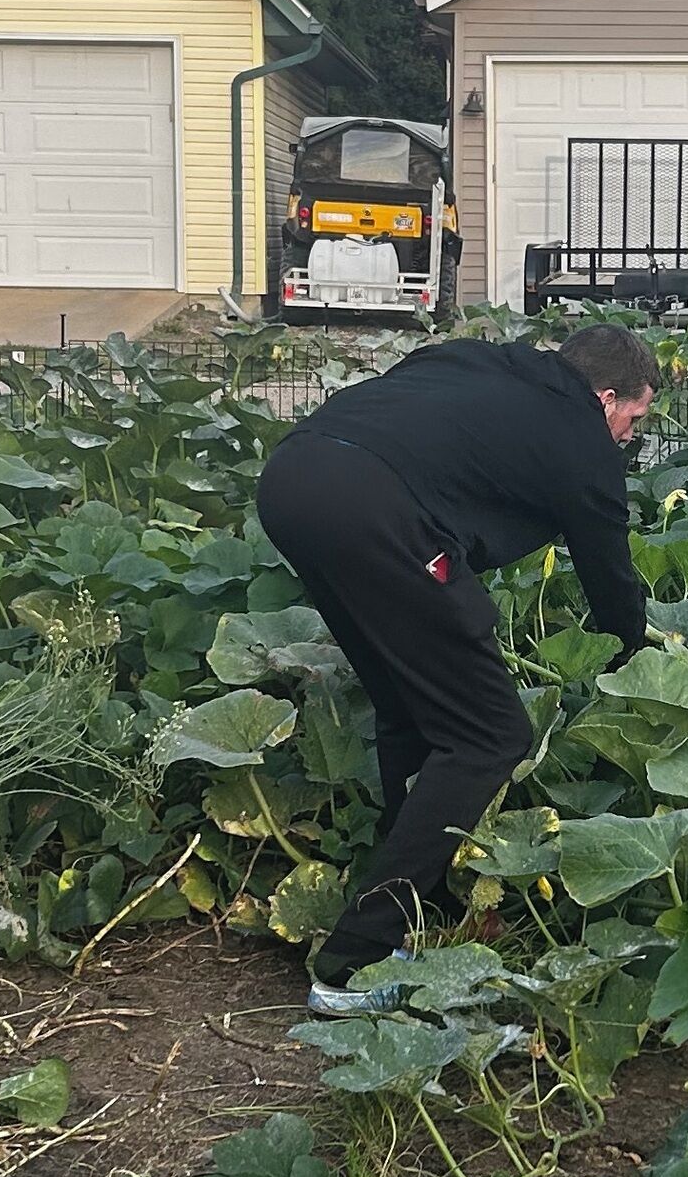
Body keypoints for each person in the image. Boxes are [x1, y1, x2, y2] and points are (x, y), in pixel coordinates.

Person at [254, 323, 661, 999]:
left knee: (409, 705)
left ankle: (421, 907)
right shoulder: (582, 438)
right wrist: (640, 660)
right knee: (489, 735)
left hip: (293, 480)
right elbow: (610, 577)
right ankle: (354, 963)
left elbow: (414, 389)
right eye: (634, 417)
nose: (627, 435)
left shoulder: (478, 360)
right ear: (607, 396)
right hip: (373, 509)